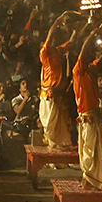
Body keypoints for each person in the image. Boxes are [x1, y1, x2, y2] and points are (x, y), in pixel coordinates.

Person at [72, 23, 102, 189]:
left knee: (95, 150)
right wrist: (92, 34)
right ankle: (89, 179)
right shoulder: (78, 70)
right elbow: (83, 50)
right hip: (87, 116)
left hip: (93, 115)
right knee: (88, 150)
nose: (90, 55)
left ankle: (93, 180)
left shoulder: (91, 68)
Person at [38, 17, 74, 149]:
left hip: (57, 93)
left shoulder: (57, 51)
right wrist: (57, 21)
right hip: (48, 93)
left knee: (59, 123)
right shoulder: (45, 53)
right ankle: (52, 144)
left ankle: (61, 146)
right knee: (48, 123)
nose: (54, 40)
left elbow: (71, 43)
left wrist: (76, 30)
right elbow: (50, 34)